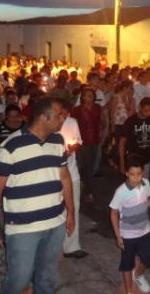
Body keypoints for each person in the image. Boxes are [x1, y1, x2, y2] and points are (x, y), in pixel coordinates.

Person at [0, 97, 75, 294]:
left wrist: (71, 213)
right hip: (23, 227)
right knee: (19, 280)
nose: (63, 119)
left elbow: (65, 179)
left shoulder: (58, 141)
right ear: (44, 117)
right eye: (59, 115)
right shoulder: (10, 146)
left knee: (46, 277)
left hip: (55, 223)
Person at [110, 154, 150, 294]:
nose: (136, 178)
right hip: (128, 234)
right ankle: (129, 290)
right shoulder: (121, 192)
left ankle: (137, 275)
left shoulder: (146, 184)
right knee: (127, 264)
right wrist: (118, 235)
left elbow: (146, 200)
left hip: (145, 230)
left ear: (142, 173)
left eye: (139, 174)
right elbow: (113, 213)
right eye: (132, 175)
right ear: (127, 173)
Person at [59, 105, 88, 259]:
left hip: (71, 173)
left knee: (73, 207)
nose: (62, 116)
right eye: (59, 112)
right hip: (54, 175)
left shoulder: (72, 122)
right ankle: (56, 244)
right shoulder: (49, 124)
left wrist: (73, 147)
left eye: (64, 112)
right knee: (56, 209)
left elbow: (78, 141)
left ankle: (71, 246)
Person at [71, 87, 102, 203]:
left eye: (91, 95)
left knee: (90, 165)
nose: (89, 98)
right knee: (87, 165)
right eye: (87, 95)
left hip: (95, 138)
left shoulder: (98, 108)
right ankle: (89, 192)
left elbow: (101, 122)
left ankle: (84, 185)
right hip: (83, 140)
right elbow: (72, 124)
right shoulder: (77, 110)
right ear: (82, 97)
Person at [119, 97, 150, 178]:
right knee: (133, 182)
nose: (148, 113)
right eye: (146, 110)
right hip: (133, 158)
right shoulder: (130, 121)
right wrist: (122, 163)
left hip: (146, 157)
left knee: (145, 181)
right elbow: (122, 142)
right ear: (140, 107)